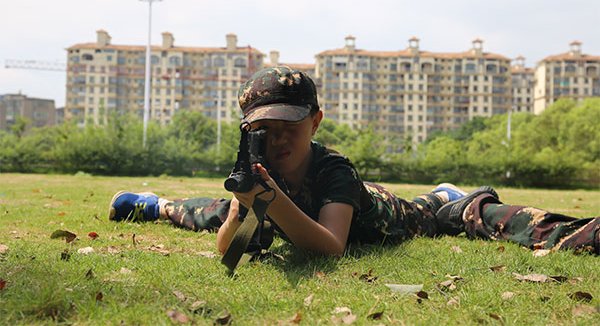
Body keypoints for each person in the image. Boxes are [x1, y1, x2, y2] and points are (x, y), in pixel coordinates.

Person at [109, 66, 600, 256]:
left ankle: (447, 195)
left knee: (458, 215)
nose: (277, 141)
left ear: (316, 123)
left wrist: (272, 202)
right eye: (264, 131)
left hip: (397, 217)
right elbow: (232, 252)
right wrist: (245, 207)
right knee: (205, 211)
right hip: (280, 203)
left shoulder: (334, 169)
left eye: (289, 129)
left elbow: (330, 247)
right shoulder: (263, 173)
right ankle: (153, 204)